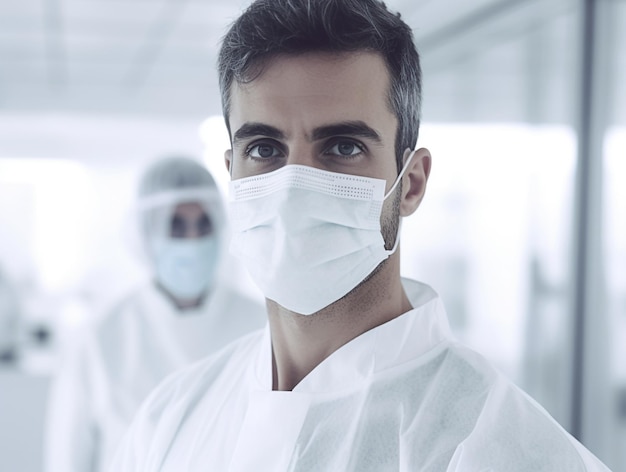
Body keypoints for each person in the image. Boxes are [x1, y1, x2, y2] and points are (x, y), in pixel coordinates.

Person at [110, 1, 611, 471]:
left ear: (411, 183)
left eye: (343, 147)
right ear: (232, 177)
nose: (292, 188)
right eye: (264, 148)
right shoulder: (171, 418)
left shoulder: (506, 451)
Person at [44, 156, 266, 472]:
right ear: (146, 233)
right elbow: (67, 460)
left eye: (204, 224)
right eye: (176, 226)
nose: (193, 241)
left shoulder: (262, 326)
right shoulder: (101, 337)